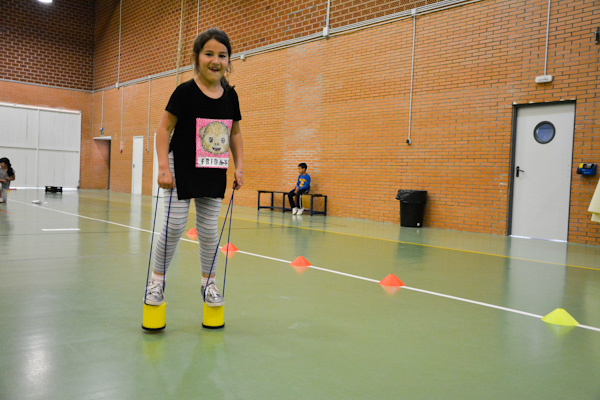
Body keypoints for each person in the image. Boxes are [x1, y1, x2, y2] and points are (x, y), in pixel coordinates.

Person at [144, 28, 244, 308]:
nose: (215, 60)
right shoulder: (184, 92)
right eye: (209, 54)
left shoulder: (231, 96)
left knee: (209, 230)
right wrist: (163, 168)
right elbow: (163, 129)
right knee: (174, 225)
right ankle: (156, 282)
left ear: (228, 60)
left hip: (213, 168)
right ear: (197, 57)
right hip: (181, 166)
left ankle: (208, 284)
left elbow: (235, 133)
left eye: (222, 55)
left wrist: (240, 167)